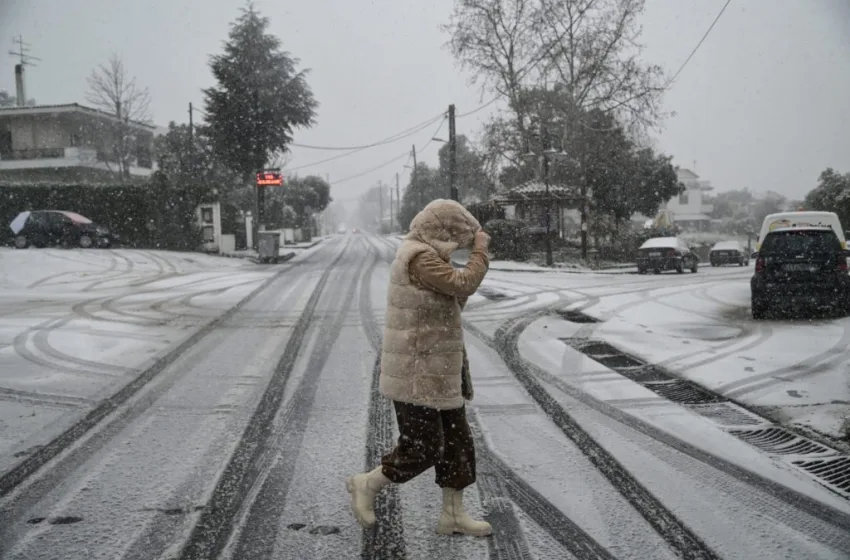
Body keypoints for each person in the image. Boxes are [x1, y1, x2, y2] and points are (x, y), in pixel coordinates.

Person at [346, 199, 492, 537]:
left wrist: (465, 273)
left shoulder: (430, 257)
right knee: (423, 446)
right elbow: (463, 284)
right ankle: (367, 483)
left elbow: (453, 299)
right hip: (417, 372)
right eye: (458, 236)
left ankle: (453, 515)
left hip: (441, 369)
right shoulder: (419, 256)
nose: (462, 243)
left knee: (457, 444)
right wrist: (480, 252)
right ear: (442, 230)